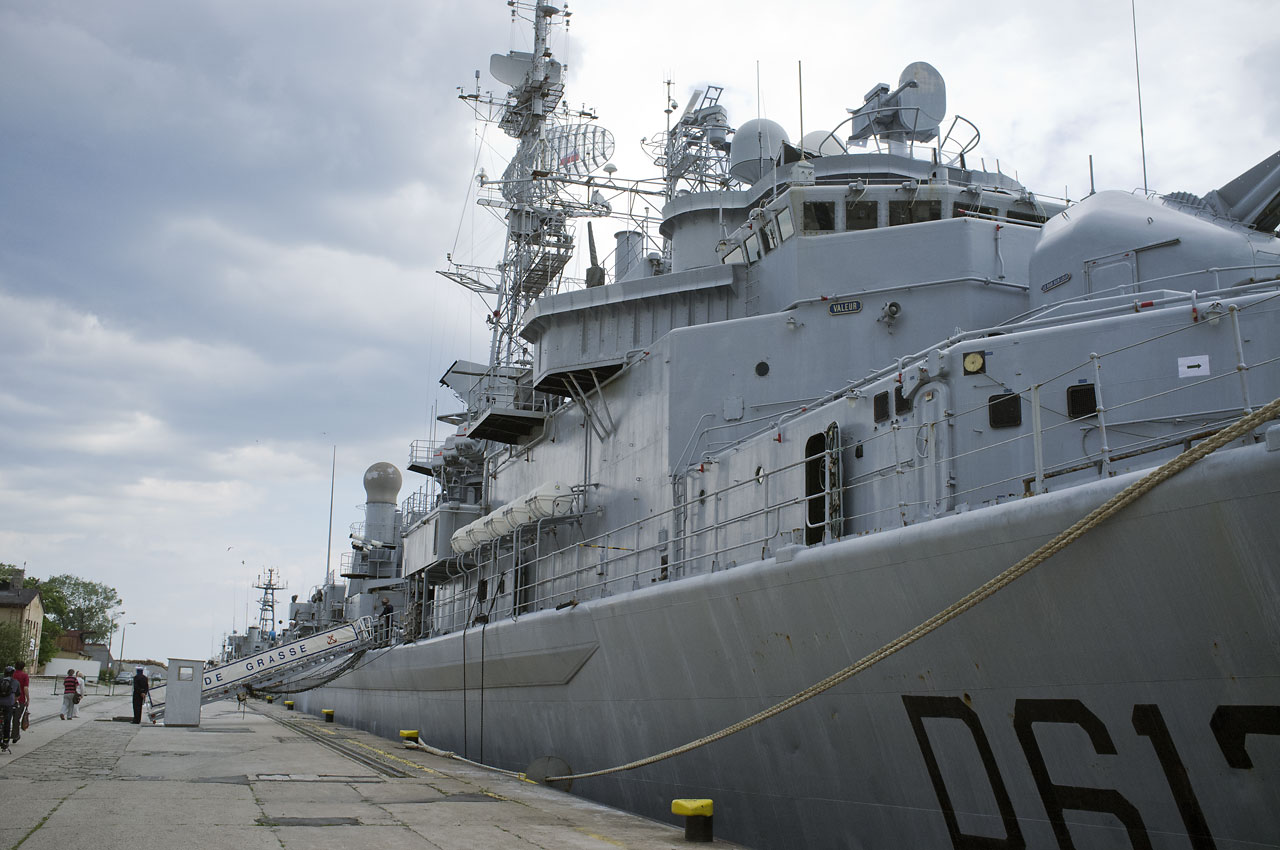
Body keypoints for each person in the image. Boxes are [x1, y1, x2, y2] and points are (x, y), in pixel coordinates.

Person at [10, 661, 29, 744]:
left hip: (9, 699)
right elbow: (25, 688)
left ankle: (4, 734)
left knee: (7, 718)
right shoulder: (24, 675)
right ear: (23, 667)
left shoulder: (11, 675)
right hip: (20, 699)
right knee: (16, 719)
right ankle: (15, 735)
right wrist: (28, 699)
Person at [1, 666, 17, 752]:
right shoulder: (15, 682)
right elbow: (18, 694)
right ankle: (5, 741)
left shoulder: (0, 680)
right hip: (8, 705)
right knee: (7, 722)